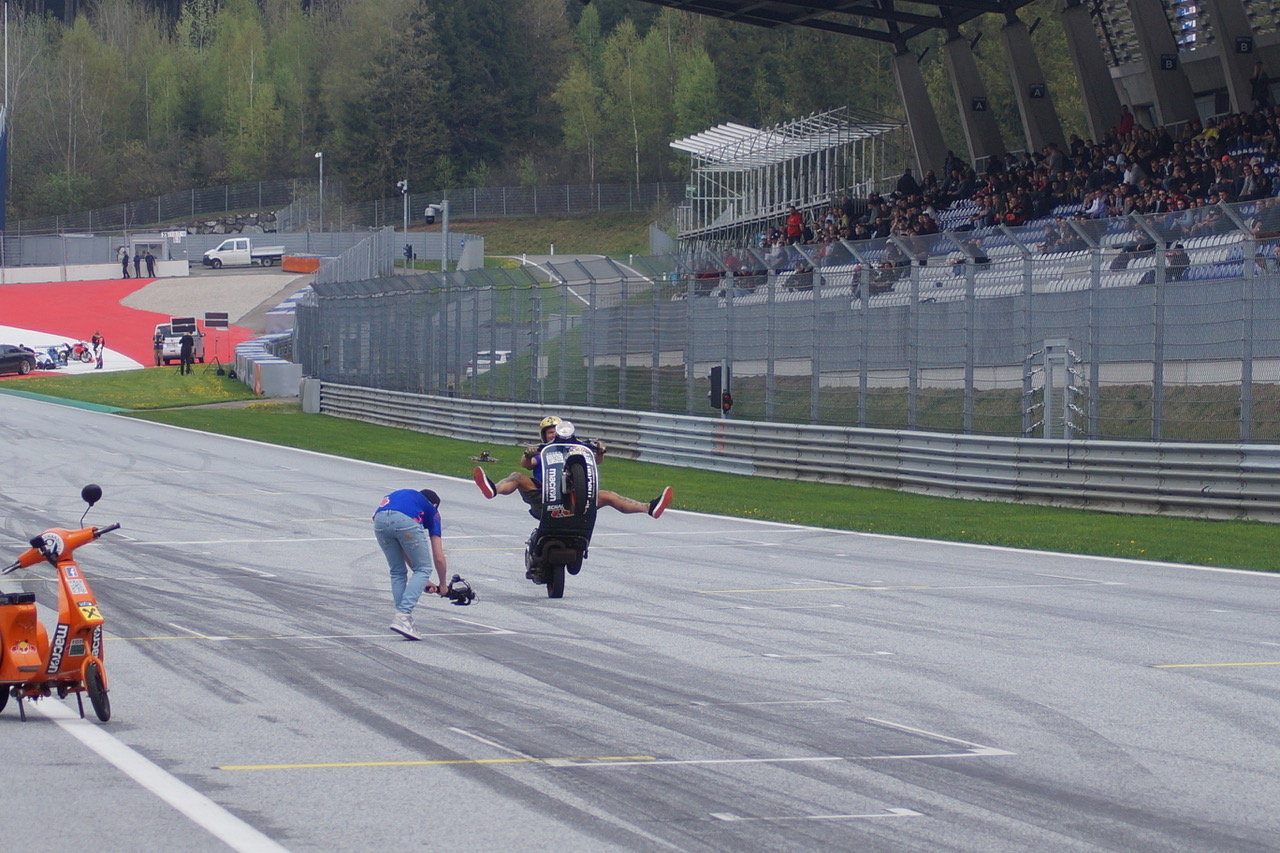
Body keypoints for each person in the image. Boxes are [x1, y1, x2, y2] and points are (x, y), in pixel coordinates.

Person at [474, 416, 673, 520]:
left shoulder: (576, 450)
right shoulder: (541, 451)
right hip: (543, 495)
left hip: (577, 497)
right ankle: (493, 489)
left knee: (609, 495)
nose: (553, 435)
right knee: (517, 476)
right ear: (544, 435)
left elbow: (596, 461)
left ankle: (650, 508)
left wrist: (600, 451)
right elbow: (526, 465)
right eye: (549, 432)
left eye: (555, 431)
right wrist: (528, 453)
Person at [372, 488, 449, 640]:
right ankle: (403, 616)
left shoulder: (407, 498)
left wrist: (423, 581)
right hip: (405, 521)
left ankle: (402, 618)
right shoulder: (432, 510)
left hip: (379, 520)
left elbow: (405, 550)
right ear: (434, 505)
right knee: (425, 568)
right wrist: (443, 584)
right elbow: (438, 556)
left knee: (397, 571)